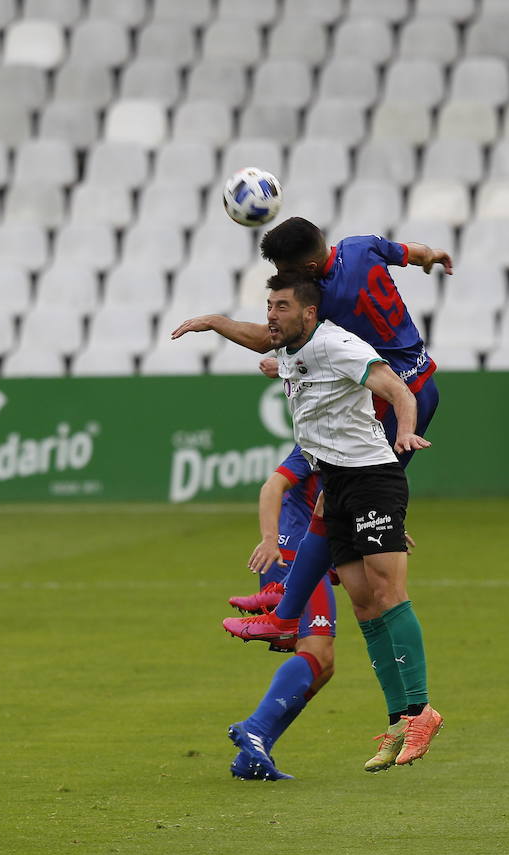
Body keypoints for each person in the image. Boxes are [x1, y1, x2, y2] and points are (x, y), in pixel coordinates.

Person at [172, 217, 452, 650]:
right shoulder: (360, 246)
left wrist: (215, 322)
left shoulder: (324, 297)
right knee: (331, 502)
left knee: (323, 498)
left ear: (305, 268)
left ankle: (287, 602)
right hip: (421, 381)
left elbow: (271, 338)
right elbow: (410, 252)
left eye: (286, 271)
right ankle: (302, 589)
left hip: (391, 397)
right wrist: (431, 256)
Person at [225, 272, 443, 779]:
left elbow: (398, 390)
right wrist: (220, 327)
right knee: (365, 604)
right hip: (337, 487)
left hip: (371, 476)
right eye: (268, 305)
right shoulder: (295, 351)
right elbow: (275, 356)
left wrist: (406, 433)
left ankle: (422, 710)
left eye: (281, 306)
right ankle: (397, 721)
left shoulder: (340, 344)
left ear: (307, 312)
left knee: (389, 594)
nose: (270, 315)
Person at [225, 444, 339, 780]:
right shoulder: (321, 437)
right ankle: (255, 729)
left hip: (311, 551)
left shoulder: (355, 436)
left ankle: (252, 755)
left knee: (324, 665)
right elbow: (273, 485)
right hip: (293, 554)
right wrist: (269, 539)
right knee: (318, 652)